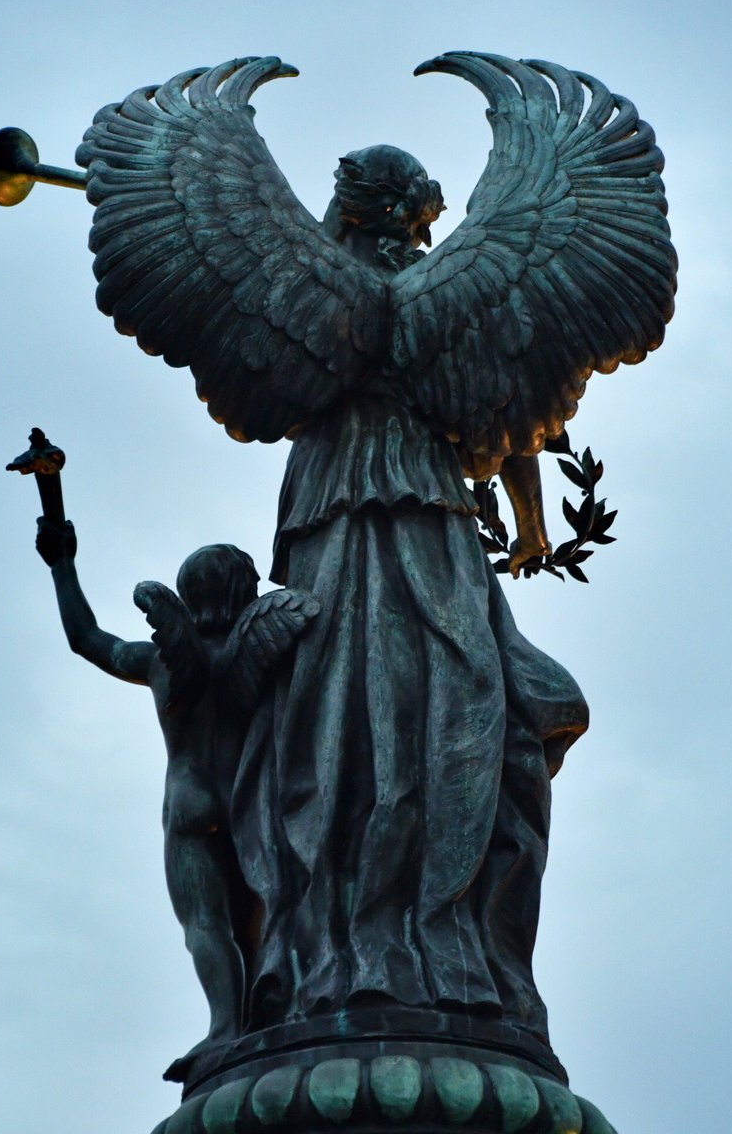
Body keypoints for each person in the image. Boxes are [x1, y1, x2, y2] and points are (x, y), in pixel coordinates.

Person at [230, 147, 590, 1067]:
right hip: (367, 508)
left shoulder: (393, 288)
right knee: (360, 713)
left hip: (417, 508)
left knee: (457, 707)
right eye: (416, 217)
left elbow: (505, 410)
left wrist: (530, 520)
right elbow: (502, 410)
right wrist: (529, 521)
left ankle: (442, 943)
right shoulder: (369, 283)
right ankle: (350, 950)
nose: (424, 235)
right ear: (387, 211)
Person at [36, 519, 259, 1042]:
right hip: (250, 799)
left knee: (205, 924)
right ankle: (259, 1023)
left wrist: (62, 565)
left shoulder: (162, 660)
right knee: (256, 926)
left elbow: (87, 639)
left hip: (189, 796)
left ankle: (226, 1028)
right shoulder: (258, 654)